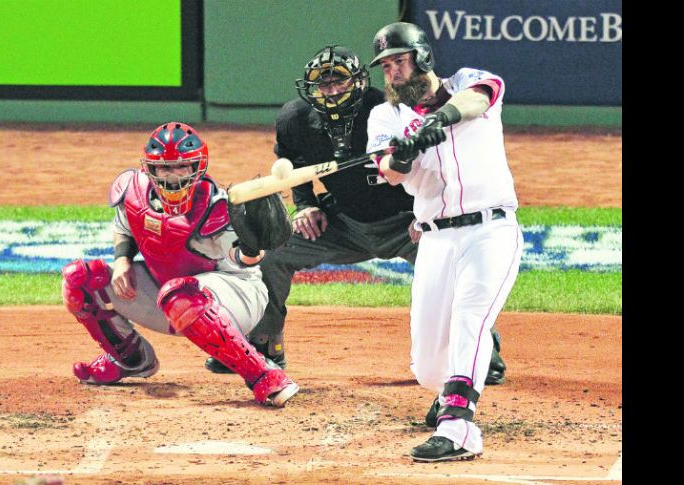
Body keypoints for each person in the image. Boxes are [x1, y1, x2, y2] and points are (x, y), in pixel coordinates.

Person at [204, 44, 508, 387]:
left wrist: (422, 216)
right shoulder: (294, 120)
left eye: (340, 82)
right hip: (343, 224)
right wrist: (306, 205)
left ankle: (482, 352)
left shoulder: (388, 110)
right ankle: (264, 344)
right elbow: (293, 167)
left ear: (359, 83)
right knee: (273, 251)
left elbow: (423, 166)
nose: (332, 90)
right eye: (325, 84)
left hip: (404, 223)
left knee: (451, 257)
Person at [366, 22, 524, 462]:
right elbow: (391, 172)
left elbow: (477, 100)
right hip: (435, 240)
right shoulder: (387, 116)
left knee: (470, 319)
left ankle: (459, 427)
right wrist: (404, 150)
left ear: (422, 57)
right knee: (428, 367)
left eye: (399, 61)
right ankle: (451, 384)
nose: (393, 73)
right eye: (386, 67)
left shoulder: (469, 82)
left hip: (490, 230)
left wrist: (439, 119)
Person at [61, 121, 299, 408]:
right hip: (170, 297)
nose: (173, 176)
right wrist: (123, 260)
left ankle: (264, 375)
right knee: (81, 280)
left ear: (197, 167)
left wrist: (252, 245)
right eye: (165, 168)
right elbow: (124, 226)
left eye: (181, 167)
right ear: (150, 168)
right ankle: (130, 358)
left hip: (237, 296)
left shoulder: (217, 207)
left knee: (179, 293)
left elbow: (243, 259)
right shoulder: (133, 192)